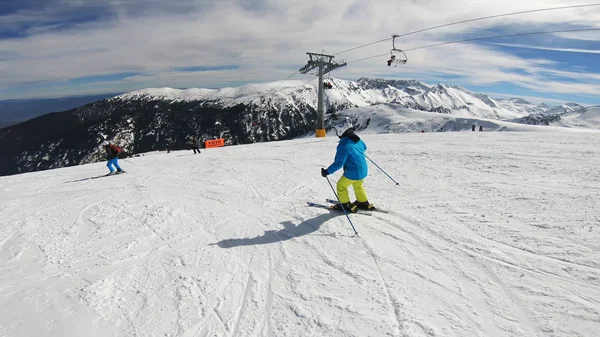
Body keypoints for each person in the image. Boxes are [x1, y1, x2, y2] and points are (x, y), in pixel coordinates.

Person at [321, 117, 375, 212]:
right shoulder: (357, 139)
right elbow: (364, 147)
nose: (337, 133)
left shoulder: (343, 144)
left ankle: (345, 204)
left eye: (337, 131)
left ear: (341, 131)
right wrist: (356, 151)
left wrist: (327, 172)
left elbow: (339, 163)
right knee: (358, 185)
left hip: (353, 172)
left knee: (341, 186)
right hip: (363, 170)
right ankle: (363, 202)